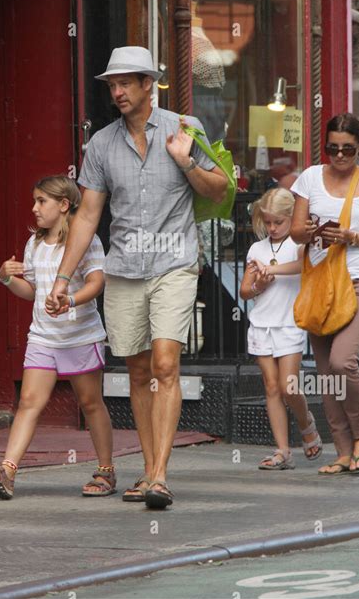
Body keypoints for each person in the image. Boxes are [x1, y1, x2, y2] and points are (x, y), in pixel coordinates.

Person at [46, 46, 228, 509]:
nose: (118, 91)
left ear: (150, 84)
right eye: (112, 84)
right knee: (139, 369)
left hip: (175, 262)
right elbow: (88, 215)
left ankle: (161, 476)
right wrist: (63, 277)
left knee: (166, 364)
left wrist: (188, 162)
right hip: (125, 268)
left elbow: (221, 188)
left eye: (127, 82)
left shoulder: (186, 129)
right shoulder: (101, 144)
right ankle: (148, 471)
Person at [0, 176, 115, 499]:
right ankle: (7, 471)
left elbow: (97, 282)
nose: (34, 208)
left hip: (81, 335)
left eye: (42, 201)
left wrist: (71, 301)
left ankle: (106, 472)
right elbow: (32, 291)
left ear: (64, 205)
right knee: (28, 402)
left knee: (90, 403)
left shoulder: (85, 240)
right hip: (43, 337)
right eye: (34, 201)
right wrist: (6, 279)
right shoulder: (34, 243)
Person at [290, 113, 359, 475]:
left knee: (341, 362)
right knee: (325, 374)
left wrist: (352, 237)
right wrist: (309, 230)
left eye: (347, 149)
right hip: (320, 286)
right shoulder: (309, 179)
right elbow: (295, 233)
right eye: (332, 148)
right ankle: (344, 451)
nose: (339, 156)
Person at [240, 188, 323, 470]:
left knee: (289, 386)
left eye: (279, 222)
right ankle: (283, 451)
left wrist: (271, 271)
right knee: (271, 387)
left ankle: (306, 422)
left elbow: (303, 265)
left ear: (291, 218)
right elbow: (244, 291)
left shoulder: (298, 244)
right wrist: (258, 286)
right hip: (261, 324)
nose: (272, 228)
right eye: (268, 222)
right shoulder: (257, 249)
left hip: (290, 323)